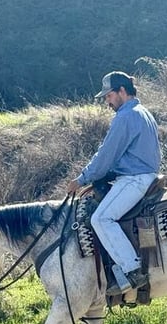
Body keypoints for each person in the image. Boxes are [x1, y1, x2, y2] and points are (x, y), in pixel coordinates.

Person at [66, 71, 161, 296]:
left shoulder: (125, 117)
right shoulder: (144, 112)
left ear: (121, 91)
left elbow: (106, 155)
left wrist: (81, 179)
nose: (107, 102)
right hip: (147, 176)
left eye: (109, 96)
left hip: (134, 179)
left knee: (101, 218)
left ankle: (132, 270)